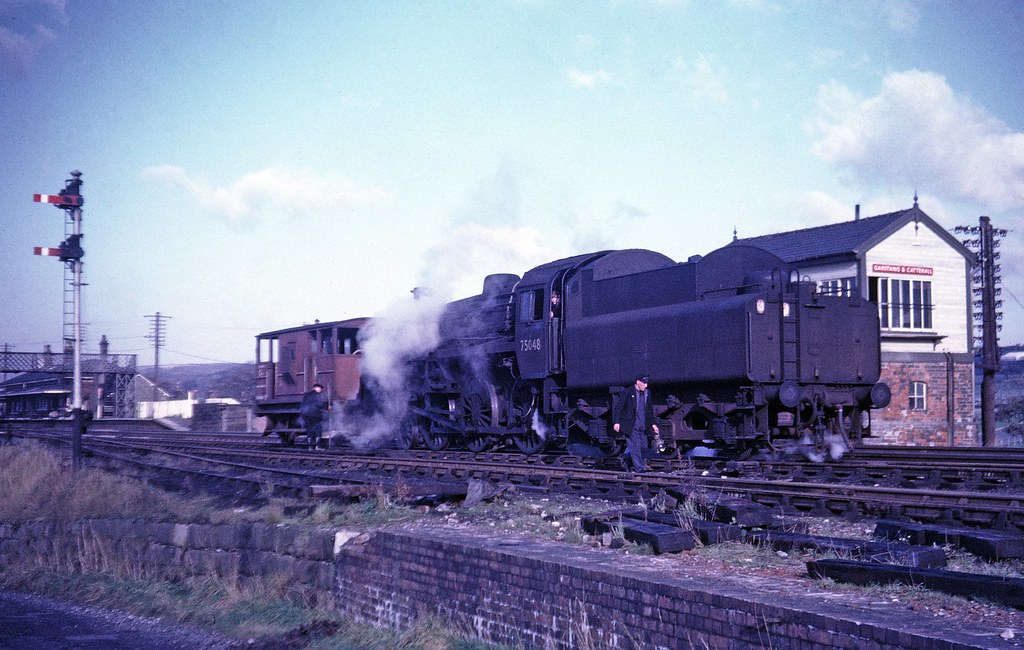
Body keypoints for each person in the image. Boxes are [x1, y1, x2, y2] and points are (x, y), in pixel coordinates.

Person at [612, 374, 659, 473]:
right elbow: (618, 407)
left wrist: (653, 424)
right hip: (631, 425)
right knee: (635, 447)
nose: (646, 385)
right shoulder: (628, 392)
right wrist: (616, 422)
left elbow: (649, 410)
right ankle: (640, 469)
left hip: (643, 425)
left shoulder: (647, 393)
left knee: (644, 447)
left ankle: (626, 459)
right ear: (638, 382)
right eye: (644, 383)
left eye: (647, 383)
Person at [299, 383, 329, 450]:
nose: (320, 390)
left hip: (306, 415)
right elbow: (320, 404)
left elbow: (303, 405)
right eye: (319, 388)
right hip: (315, 415)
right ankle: (317, 446)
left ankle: (310, 446)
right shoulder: (317, 395)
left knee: (309, 430)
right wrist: (327, 407)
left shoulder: (307, 395)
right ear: (316, 388)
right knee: (318, 429)